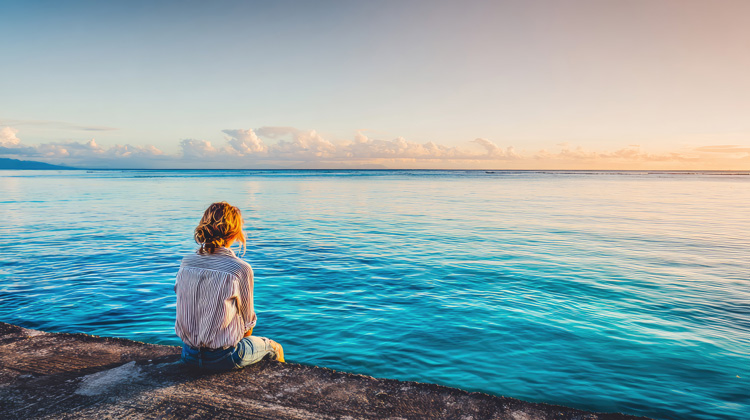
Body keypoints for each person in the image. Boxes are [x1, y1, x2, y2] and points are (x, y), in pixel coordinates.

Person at [175, 201, 284, 370]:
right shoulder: (239, 268)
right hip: (223, 358)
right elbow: (248, 325)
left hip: (188, 354)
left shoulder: (186, 262)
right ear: (235, 232)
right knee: (275, 348)